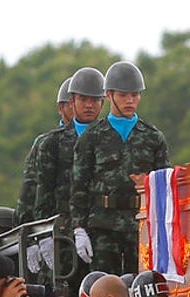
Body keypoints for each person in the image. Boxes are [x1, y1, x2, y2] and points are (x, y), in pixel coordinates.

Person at [70, 61, 170, 275]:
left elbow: (164, 186)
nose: (130, 100)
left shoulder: (152, 137)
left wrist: (164, 227)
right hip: (103, 226)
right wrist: (79, 228)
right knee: (105, 288)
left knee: (140, 287)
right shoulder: (92, 136)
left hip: (140, 225)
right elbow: (79, 186)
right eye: (124, 95)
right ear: (109, 95)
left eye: (135, 95)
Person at [31, 67, 106, 288]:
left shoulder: (112, 140)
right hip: (63, 236)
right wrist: (41, 237)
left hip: (105, 232)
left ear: (103, 102)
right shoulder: (52, 143)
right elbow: (42, 194)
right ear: (72, 101)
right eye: (83, 99)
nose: (89, 105)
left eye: (95, 99)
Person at [16, 78, 74, 228]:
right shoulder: (47, 143)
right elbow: (30, 191)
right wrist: (29, 233)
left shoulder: (99, 138)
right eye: (71, 103)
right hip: (55, 224)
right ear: (61, 108)